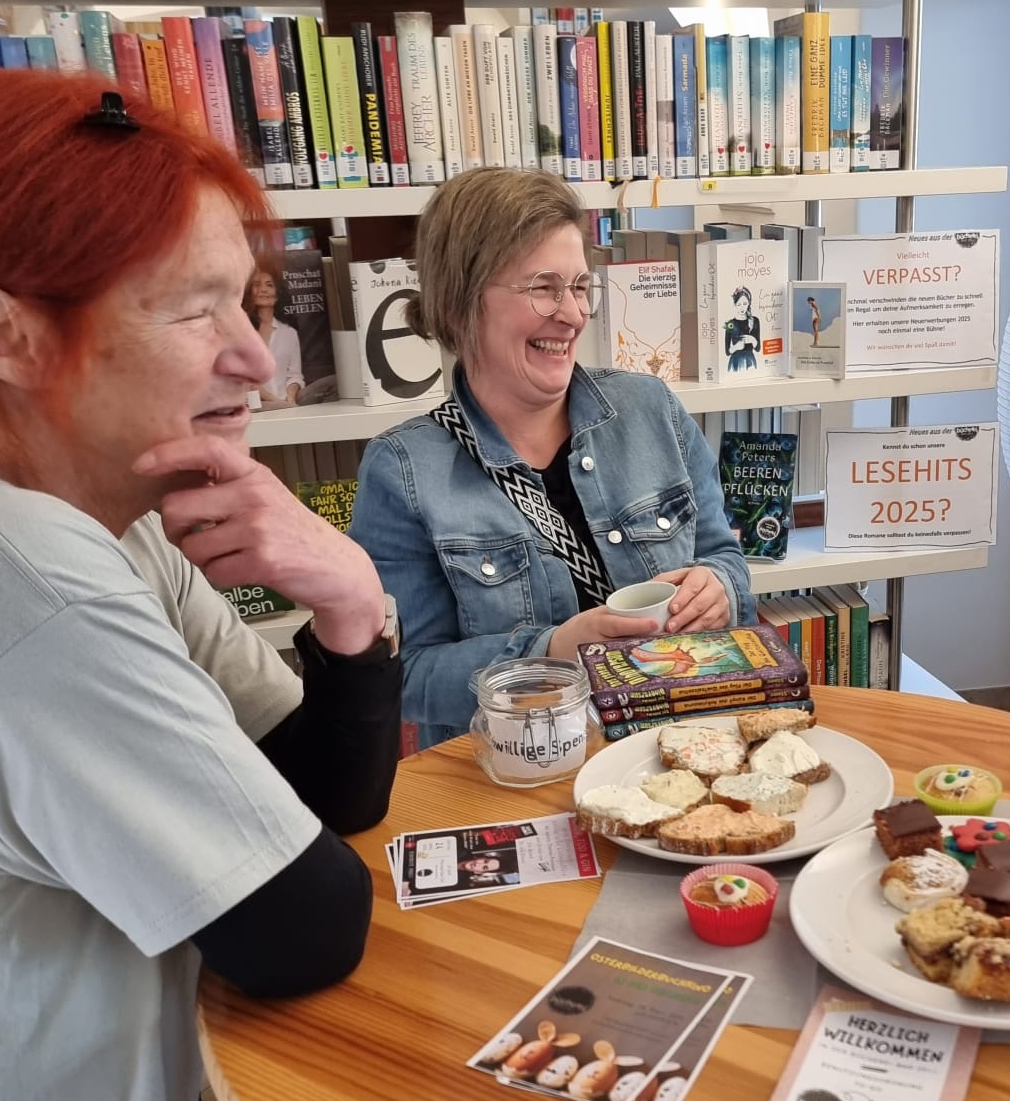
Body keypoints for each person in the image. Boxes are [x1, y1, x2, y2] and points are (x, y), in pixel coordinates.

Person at [0, 73, 402, 1101]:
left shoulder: (108, 514)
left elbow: (315, 792)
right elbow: (299, 923)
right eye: (195, 308)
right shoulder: (15, 569)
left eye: (248, 302)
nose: (258, 357)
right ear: (7, 334)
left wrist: (349, 602)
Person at [349, 166, 755, 747]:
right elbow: (406, 675)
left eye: (581, 286)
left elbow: (725, 558)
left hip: (679, 748)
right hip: (522, 772)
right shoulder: (404, 471)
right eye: (544, 288)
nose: (573, 314)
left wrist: (719, 589)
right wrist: (551, 655)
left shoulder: (652, 409)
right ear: (462, 303)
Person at [244, 264, 304, 405]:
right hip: (254, 404)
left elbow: (295, 376)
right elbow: (247, 382)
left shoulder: (289, 333)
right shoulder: (241, 331)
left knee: (329, 384)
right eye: (257, 285)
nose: (263, 289)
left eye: (269, 285)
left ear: (277, 295)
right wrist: (278, 403)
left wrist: (291, 397)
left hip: (286, 401)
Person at [724, 284, 762, 372]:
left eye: (745, 304)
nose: (742, 307)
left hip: (750, 361)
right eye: (739, 304)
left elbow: (758, 348)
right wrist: (736, 347)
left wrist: (753, 340)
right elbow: (727, 352)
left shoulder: (755, 321)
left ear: (749, 303)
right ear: (735, 305)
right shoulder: (730, 324)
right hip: (735, 362)